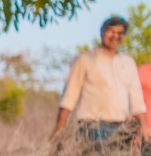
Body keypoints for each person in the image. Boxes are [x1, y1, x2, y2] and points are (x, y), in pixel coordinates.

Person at [52, 16, 148, 146]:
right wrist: (59, 129)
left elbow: (137, 101)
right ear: (102, 32)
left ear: (124, 36)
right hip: (92, 128)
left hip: (121, 128)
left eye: (120, 33)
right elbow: (69, 97)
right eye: (111, 31)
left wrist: (144, 128)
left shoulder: (128, 62)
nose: (115, 36)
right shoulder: (85, 59)